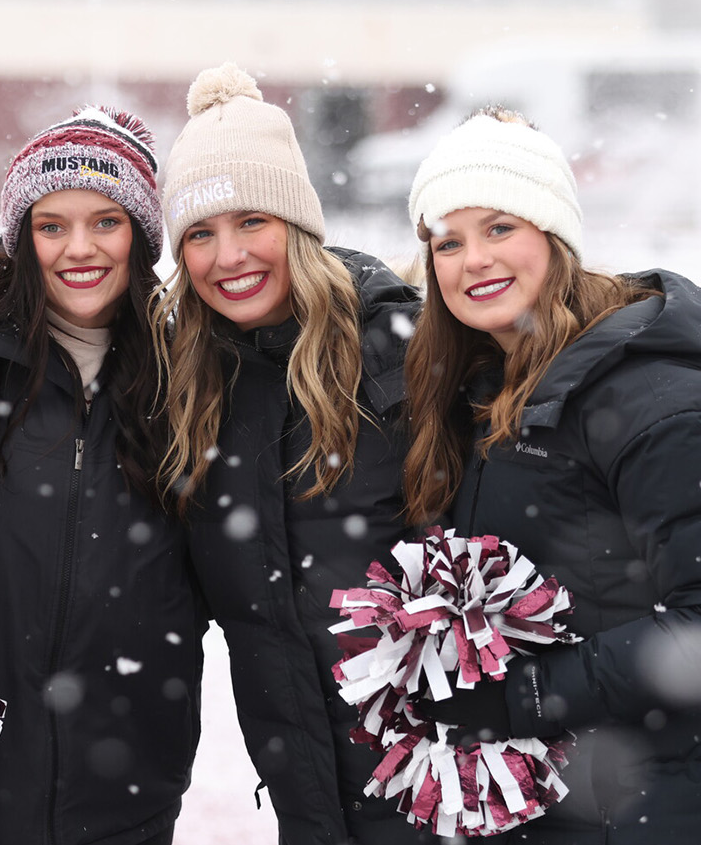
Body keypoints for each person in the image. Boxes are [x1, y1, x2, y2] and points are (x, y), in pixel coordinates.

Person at [401, 106, 701, 844]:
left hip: (672, 806)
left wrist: (523, 692)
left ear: (554, 236)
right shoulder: (484, 393)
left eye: (499, 228)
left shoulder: (657, 395)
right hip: (570, 802)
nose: (472, 260)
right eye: (446, 241)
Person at [152, 63, 425, 845]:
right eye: (199, 234)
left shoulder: (400, 353)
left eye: (250, 222)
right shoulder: (194, 385)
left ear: (296, 223)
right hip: (306, 794)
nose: (226, 255)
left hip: (437, 786)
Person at [0, 106, 206, 845]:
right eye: (51, 226)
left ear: (142, 235)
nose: (77, 249)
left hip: (124, 790)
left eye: (104, 222)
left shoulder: (188, 375)